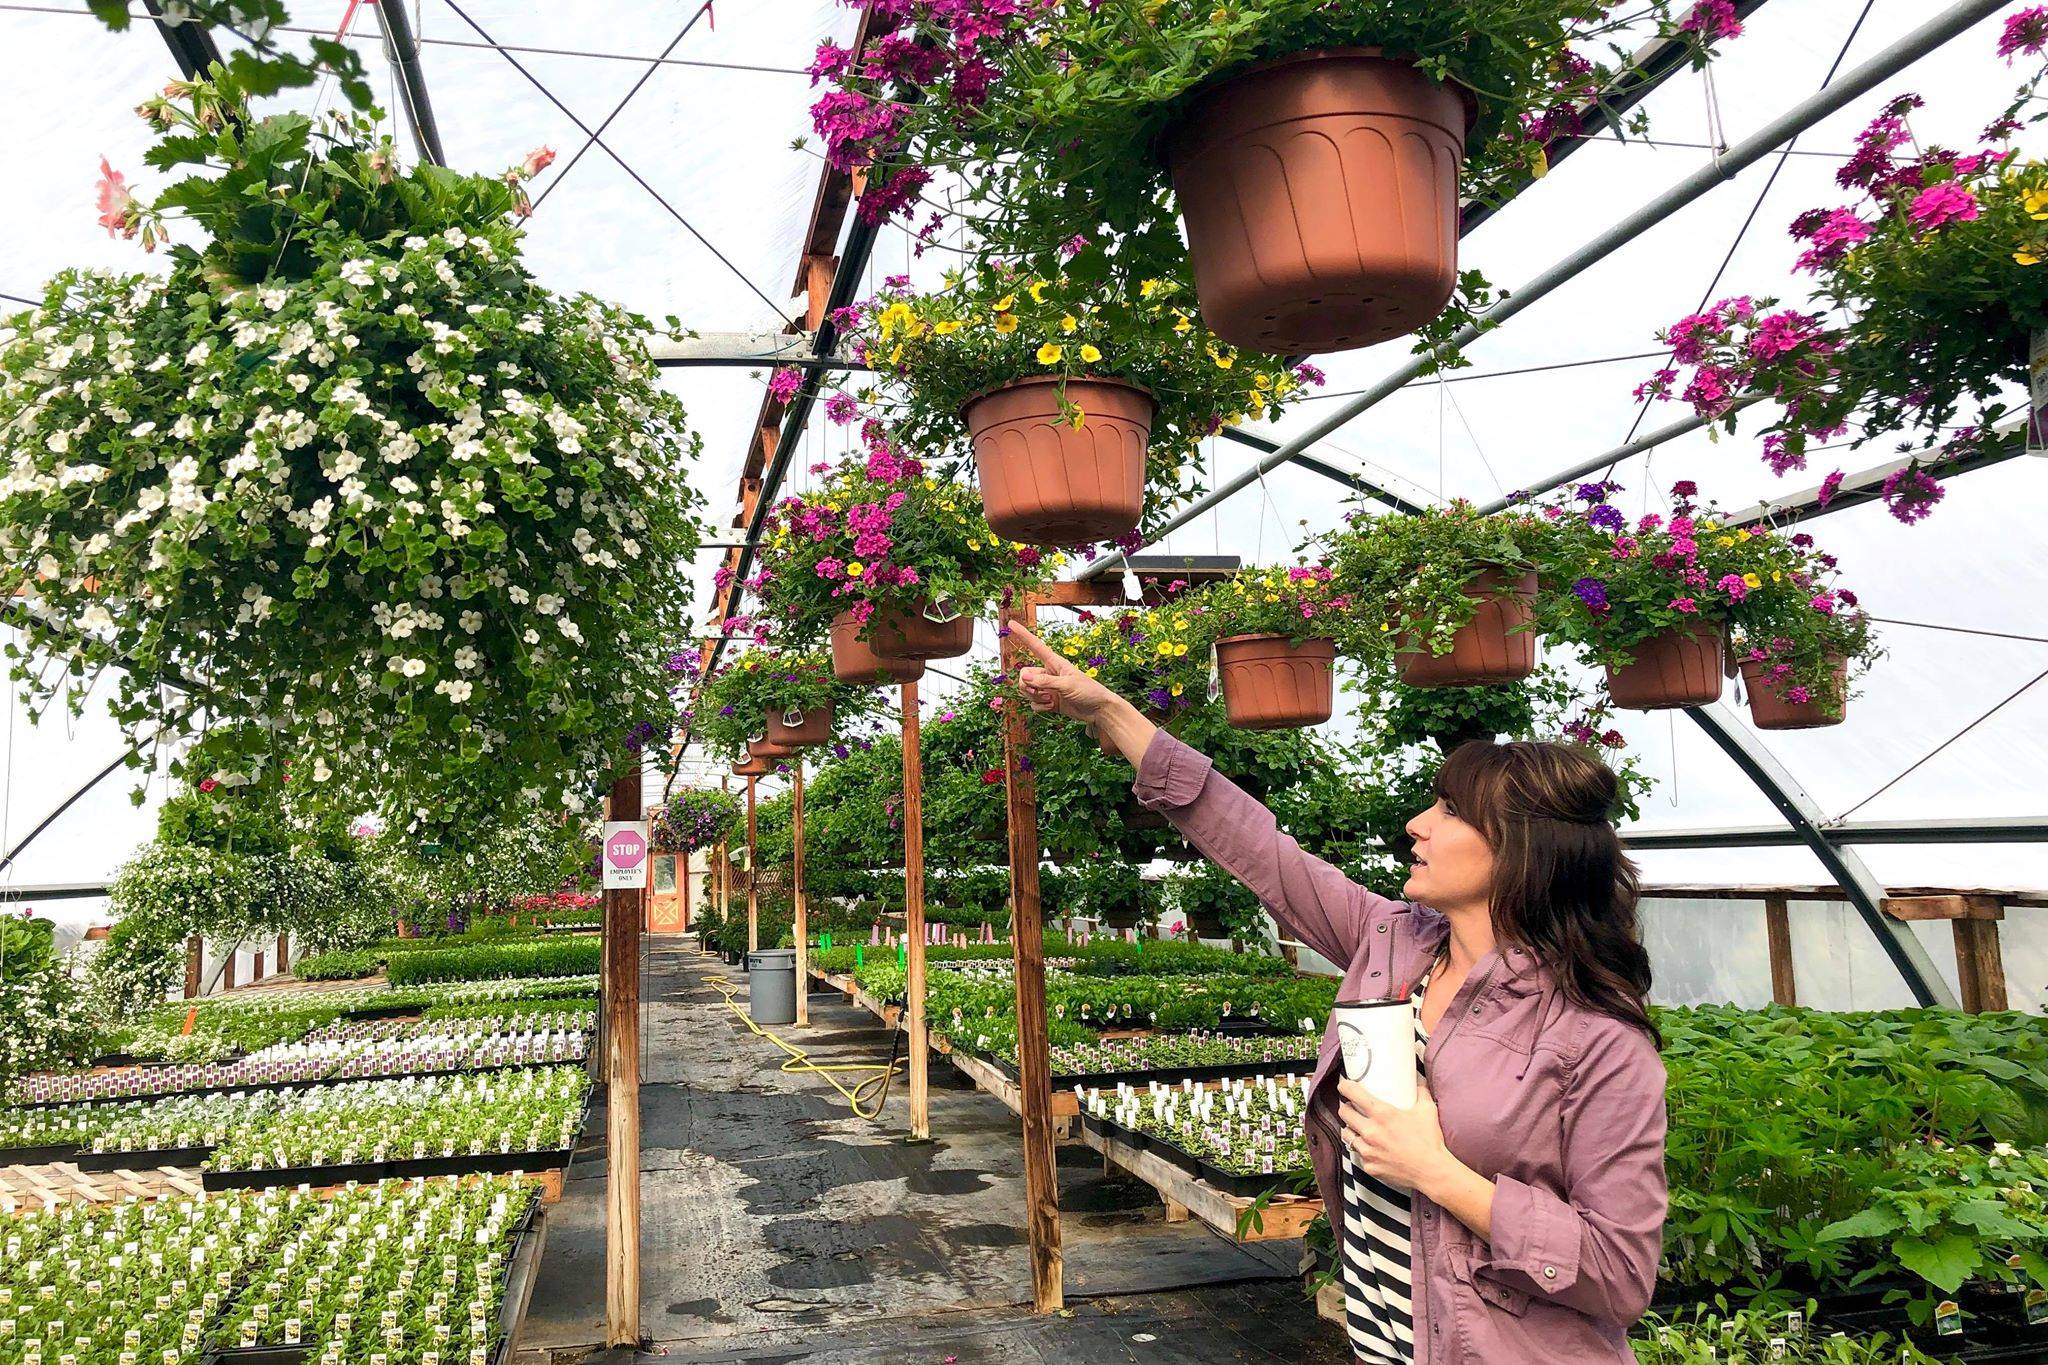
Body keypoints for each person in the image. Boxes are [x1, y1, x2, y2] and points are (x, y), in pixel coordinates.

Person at [1009, 624, 1668, 1364]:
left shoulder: (1596, 1038)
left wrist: (1438, 1171)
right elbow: (1263, 850)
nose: (1416, 825)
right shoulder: (1395, 944)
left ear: (1519, 847)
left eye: (1448, 812)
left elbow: (1621, 1272)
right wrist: (1110, 713)